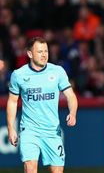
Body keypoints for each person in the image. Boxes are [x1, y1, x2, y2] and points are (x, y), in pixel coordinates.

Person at [6, 37, 78, 173]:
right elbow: (12, 101)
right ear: (29, 54)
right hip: (29, 130)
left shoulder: (57, 72)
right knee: (30, 169)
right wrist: (11, 128)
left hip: (52, 131)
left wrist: (72, 113)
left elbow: (71, 96)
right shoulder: (19, 75)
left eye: (46, 51)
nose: (44, 54)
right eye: (39, 51)